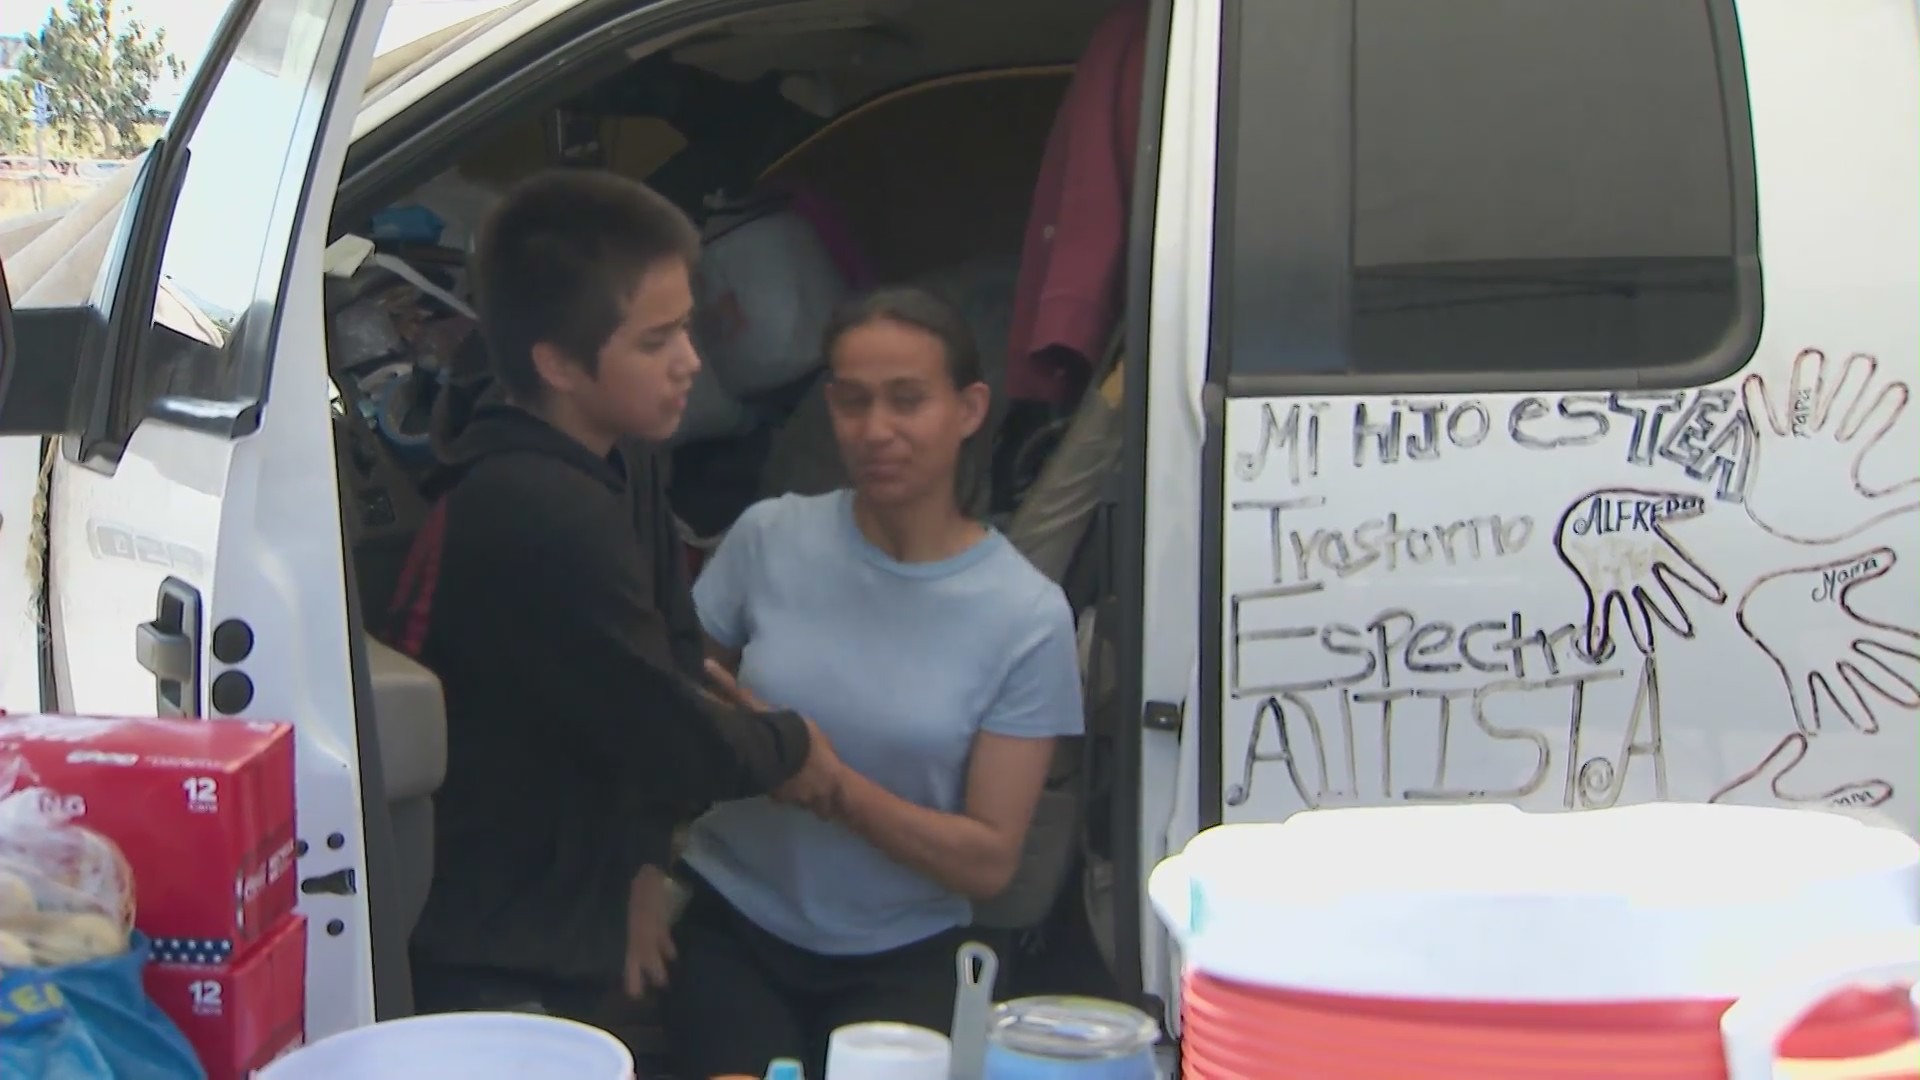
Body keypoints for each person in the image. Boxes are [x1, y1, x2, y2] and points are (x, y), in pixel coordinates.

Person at [387, 169, 842, 1020]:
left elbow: (671, 650)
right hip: (492, 941)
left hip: (581, 895)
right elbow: (669, 732)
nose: (691, 362)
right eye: (655, 341)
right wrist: (793, 745)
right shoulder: (536, 512)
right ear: (556, 361)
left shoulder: (619, 452)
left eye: (687, 328)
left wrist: (641, 867)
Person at [666, 287, 1087, 1078]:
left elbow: (989, 861)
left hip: (907, 951)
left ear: (969, 409)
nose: (876, 431)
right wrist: (640, 875)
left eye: (907, 401)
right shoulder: (769, 538)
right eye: (853, 402)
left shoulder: (1025, 616)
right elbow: (674, 703)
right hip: (735, 922)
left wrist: (828, 783)